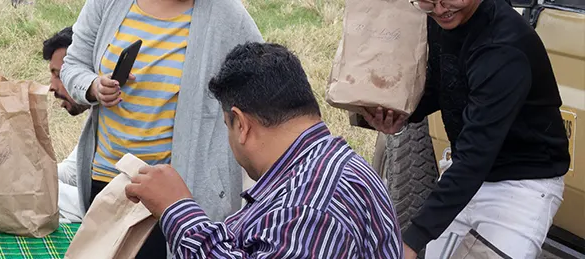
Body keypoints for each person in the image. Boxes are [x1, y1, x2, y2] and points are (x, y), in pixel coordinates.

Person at [124, 42, 403, 258]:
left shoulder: (310, 209)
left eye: (227, 126)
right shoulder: (331, 164)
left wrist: (178, 211)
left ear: (242, 124)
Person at [361, 0, 569, 257]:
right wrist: (403, 114)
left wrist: (413, 239)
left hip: (521, 184)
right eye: (427, 1)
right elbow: (443, 85)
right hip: (465, 174)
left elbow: (476, 157)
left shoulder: (503, 48)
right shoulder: (443, 20)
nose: (439, 9)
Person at [61, 0, 261, 256]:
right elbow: (73, 65)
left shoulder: (228, 15)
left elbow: (258, 80)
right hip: (107, 179)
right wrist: (93, 87)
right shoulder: (107, 3)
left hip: (176, 193)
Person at [44, 26, 93, 222]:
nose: (51, 87)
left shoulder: (119, 122)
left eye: (60, 75)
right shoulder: (96, 115)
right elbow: (71, 173)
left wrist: (31, 183)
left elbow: (94, 206)